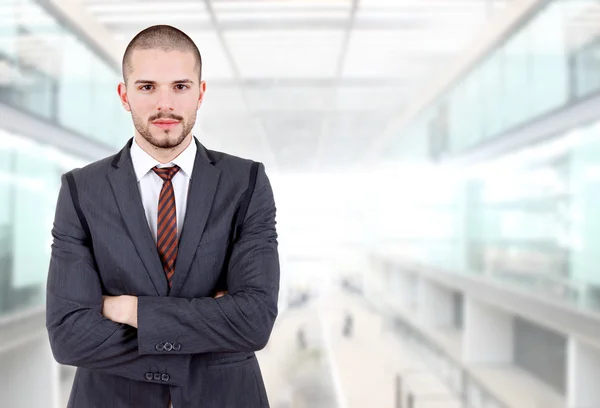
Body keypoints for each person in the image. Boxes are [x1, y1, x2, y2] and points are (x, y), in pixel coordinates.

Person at [45, 25, 280, 408]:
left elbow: (253, 321)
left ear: (201, 93)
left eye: (181, 87)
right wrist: (210, 328)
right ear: (124, 95)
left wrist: (126, 309)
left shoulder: (246, 183)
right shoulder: (80, 190)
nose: (165, 105)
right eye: (147, 87)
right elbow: (68, 334)